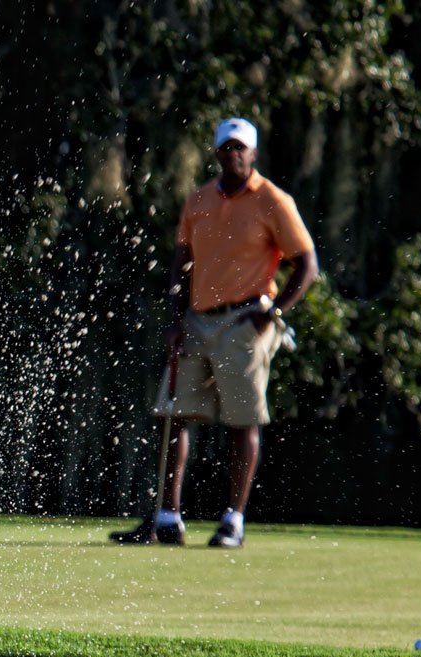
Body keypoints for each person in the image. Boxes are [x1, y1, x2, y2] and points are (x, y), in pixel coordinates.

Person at [113, 117, 318, 549]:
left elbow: (306, 264)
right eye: (226, 148)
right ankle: (167, 518)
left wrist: (272, 313)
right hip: (197, 318)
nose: (234, 154)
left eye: (241, 148)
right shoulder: (199, 201)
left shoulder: (273, 201)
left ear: (254, 153)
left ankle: (233, 521)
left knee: (242, 421)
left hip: (246, 319)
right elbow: (181, 263)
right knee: (173, 415)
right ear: (217, 152)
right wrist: (174, 320)